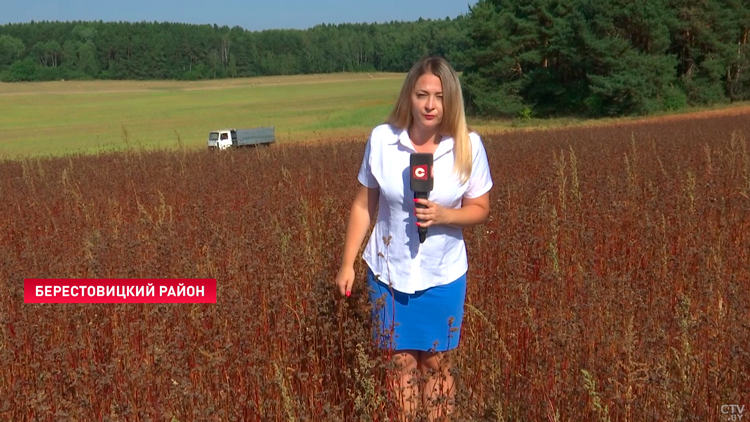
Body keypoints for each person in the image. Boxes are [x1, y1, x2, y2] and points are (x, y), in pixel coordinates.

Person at [335, 56, 493, 421]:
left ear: (450, 100)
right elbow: (363, 205)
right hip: (388, 274)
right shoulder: (382, 140)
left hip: (444, 274)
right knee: (400, 363)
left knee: (437, 363)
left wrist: (444, 215)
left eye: (438, 96)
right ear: (409, 96)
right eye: (422, 94)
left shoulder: (467, 146)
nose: (430, 104)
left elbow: (481, 207)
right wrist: (347, 264)